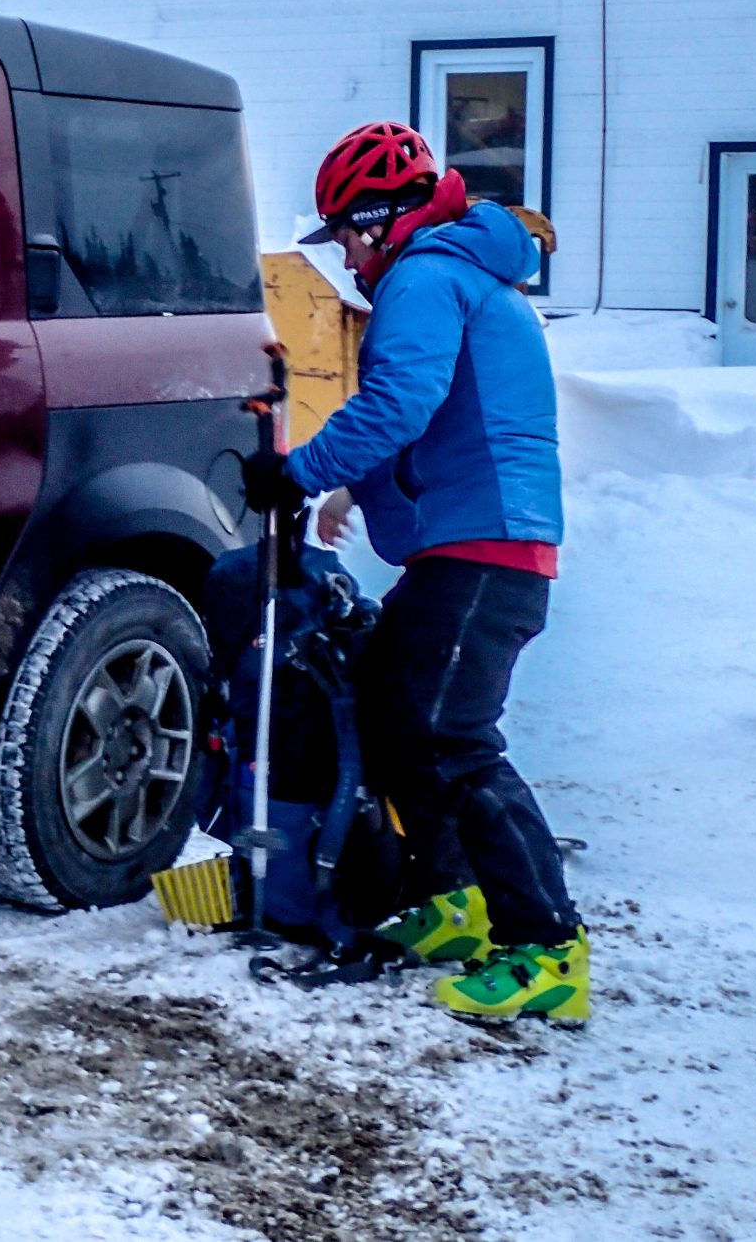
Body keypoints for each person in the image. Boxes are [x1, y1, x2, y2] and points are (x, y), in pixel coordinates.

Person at [243, 120, 588, 1024]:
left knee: (449, 736)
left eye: (350, 234)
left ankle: (547, 947)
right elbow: (433, 412)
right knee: (397, 712)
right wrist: (351, 489)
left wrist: (300, 469)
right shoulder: (455, 273)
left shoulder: (427, 276)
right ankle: (455, 901)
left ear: (383, 218)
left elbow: (402, 400)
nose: (348, 257)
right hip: (469, 539)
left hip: (488, 545)